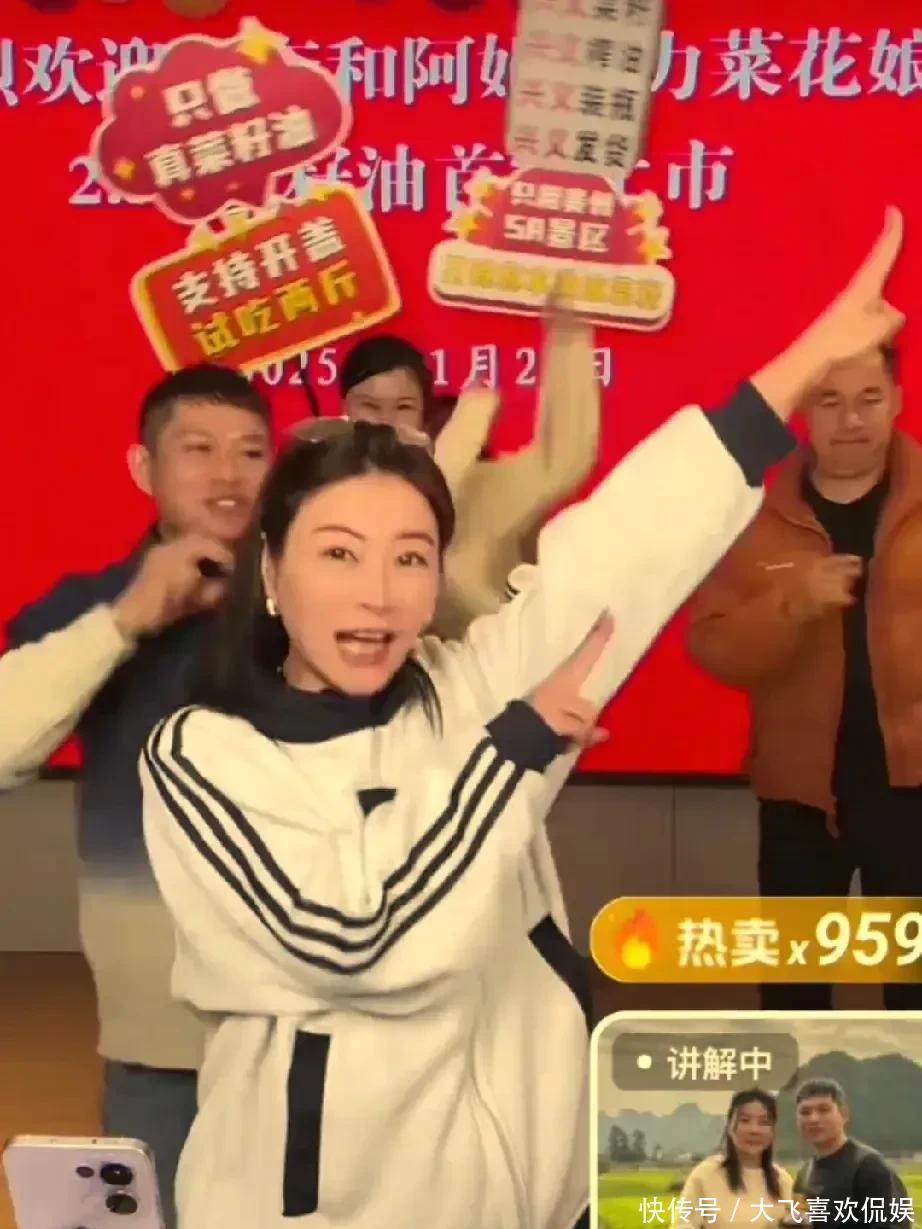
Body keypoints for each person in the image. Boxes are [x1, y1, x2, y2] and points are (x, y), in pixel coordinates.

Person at [139, 211, 903, 1229]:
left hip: (541, 1197)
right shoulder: (205, 752)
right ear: (272, 572)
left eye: (412, 556)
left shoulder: (466, 687)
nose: (378, 592)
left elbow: (622, 546)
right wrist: (515, 751)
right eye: (338, 553)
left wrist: (801, 367)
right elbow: (352, 940)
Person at [0, 364, 273, 1228]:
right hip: (155, 1041)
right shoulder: (88, 608)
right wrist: (128, 619)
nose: (228, 474)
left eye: (252, 452)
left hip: (307, 1030)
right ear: (143, 467)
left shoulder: (319, 612)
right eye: (199, 449)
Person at [687, 338, 922, 1011]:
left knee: (915, 997)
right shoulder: (756, 517)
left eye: (869, 399)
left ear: (897, 400)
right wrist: (794, 601)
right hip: (799, 797)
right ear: (803, 412)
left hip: (912, 795)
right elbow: (714, 646)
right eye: (830, 402)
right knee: (793, 998)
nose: (851, 420)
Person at [332, 320, 601, 638]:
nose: (386, 422)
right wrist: (466, 429)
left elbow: (563, 460)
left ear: (424, 417)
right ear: (345, 409)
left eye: (403, 407)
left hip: (489, 659)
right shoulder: (318, 494)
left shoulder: (480, 487)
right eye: (370, 406)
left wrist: (569, 341)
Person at [794, 1079, 907, 1223]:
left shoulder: (869, 1167)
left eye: (824, 1110)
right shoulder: (804, 1174)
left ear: (844, 1114)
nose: (813, 1119)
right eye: (805, 1112)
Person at [678, 1089, 793, 1229]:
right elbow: (684, 1224)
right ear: (730, 1127)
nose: (754, 1130)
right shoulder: (706, 1175)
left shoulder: (783, 1181)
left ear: (773, 1131)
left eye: (764, 1122)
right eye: (745, 1120)